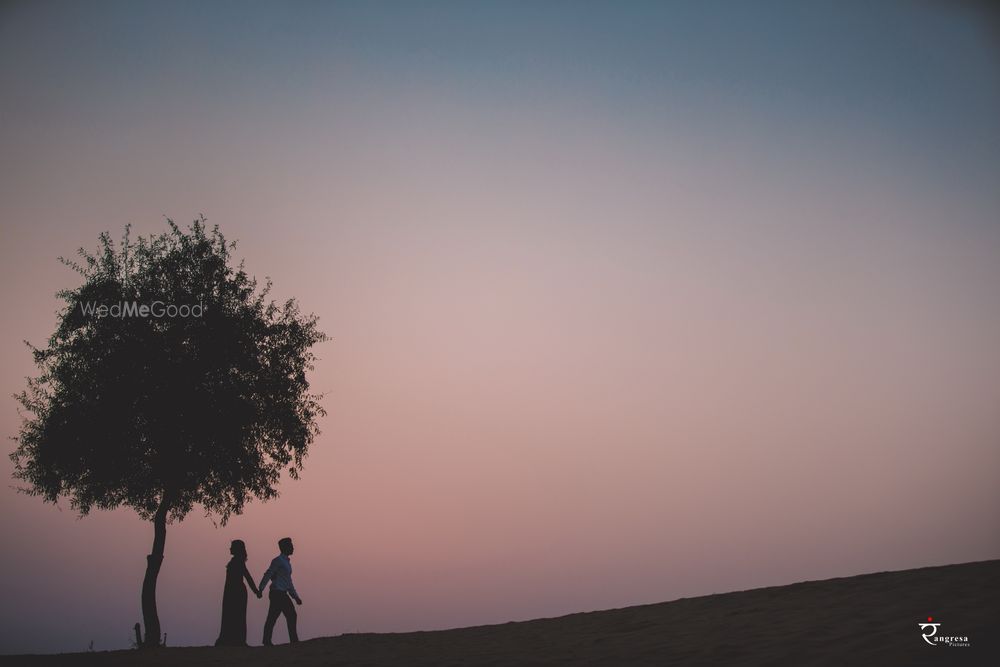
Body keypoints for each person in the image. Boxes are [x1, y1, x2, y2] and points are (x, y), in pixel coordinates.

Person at [214, 539, 262, 647]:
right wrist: (256, 591)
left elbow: (248, 577)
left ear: (236, 549)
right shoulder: (235, 561)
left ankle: (238, 640)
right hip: (232, 592)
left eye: (232, 547)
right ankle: (231, 640)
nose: (230, 548)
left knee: (237, 616)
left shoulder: (238, 561)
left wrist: (256, 591)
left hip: (237, 592)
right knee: (231, 616)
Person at [259, 537, 302, 645]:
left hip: (280, 593)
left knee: (273, 616)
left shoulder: (287, 563)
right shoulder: (278, 561)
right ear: (285, 547)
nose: (293, 548)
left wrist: (295, 596)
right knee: (291, 614)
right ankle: (293, 640)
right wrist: (261, 588)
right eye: (291, 546)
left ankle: (267, 640)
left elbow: (288, 582)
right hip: (277, 593)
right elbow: (268, 574)